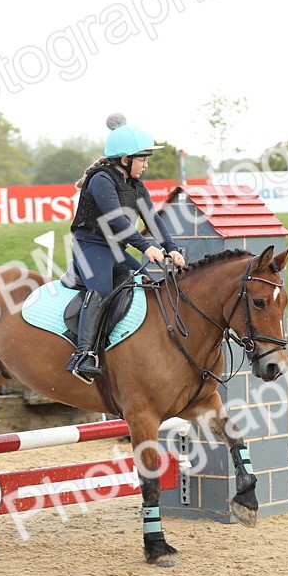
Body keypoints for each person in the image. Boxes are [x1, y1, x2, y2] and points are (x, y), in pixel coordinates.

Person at [64, 113, 186, 381]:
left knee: (145, 282)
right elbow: (115, 220)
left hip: (116, 250)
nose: (145, 165)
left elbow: (152, 218)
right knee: (103, 290)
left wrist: (171, 246)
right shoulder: (101, 180)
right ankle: (83, 355)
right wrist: (145, 247)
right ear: (125, 160)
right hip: (90, 246)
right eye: (142, 159)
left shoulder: (135, 185)